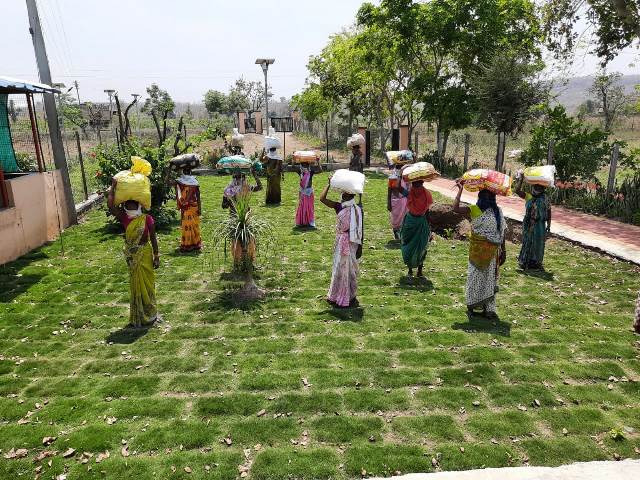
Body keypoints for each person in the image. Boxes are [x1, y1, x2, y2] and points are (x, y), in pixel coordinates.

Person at [107, 179, 160, 328]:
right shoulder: (125, 218)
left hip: (145, 254)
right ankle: (139, 313)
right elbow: (111, 206)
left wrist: (156, 256)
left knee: (148, 283)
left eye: (132, 203)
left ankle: (150, 312)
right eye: (127, 203)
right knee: (135, 284)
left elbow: (153, 238)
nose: (129, 205)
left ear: (138, 204)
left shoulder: (147, 219)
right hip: (132, 256)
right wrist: (113, 187)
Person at [453, 182, 506, 319]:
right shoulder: (496, 211)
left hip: (479, 252)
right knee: (488, 280)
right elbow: (502, 232)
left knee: (475, 278)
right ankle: (486, 309)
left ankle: (480, 307)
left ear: (479, 197)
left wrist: (460, 190)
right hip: (491, 252)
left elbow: (455, 208)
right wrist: (503, 250)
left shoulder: (476, 209)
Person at [320, 177, 363, 308]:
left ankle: (346, 295)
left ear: (349, 195)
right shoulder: (344, 206)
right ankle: (340, 294)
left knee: (346, 269)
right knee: (341, 268)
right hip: (346, 241)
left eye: (344, 193)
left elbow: (361, 227)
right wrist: (328, 184)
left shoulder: (354, 208)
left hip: (350, 242)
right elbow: (322, 199)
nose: (342, 194)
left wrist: (361, 246)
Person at [222, 168, 263, 269]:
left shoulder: (243, 187)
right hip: (236, 217)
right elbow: (223, 206)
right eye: (236, 177)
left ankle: (246, 260)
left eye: (240, 177)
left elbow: (260, 187)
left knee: (247, 238)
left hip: (243, 217)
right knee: (238, 239)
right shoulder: (230, 190)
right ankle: (239, 261)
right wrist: (228, 200)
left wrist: (255, 175)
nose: (238, 179)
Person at [515, 176, 551, 270]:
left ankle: (536, 262)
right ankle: (525, 261)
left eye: (540, 187)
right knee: (528, 241)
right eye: (536, 187)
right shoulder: (529, 196)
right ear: (533, 187)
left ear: (543, 188)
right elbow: (517, 191)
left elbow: (549, 211)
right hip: (529, 223)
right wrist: (521, 179)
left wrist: (549, 225)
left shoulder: (545, 198)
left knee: (538, 243)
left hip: (540, 224)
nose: (537, 189)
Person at [399, 179, 433, 277]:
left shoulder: (426, 194)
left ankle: (419, 270)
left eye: (418, 184)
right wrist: (398, 177)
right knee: (408, 244)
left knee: (421, 246)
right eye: (414, 184)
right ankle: (410, 269)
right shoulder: (411, 193)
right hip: (411, 222)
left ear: (422, 183)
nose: (416, 186)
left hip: (421, 222)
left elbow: (427, 211)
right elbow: (398, 188)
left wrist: (429, 226)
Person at [174, 166, 202, 252]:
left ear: (183, 172)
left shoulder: (180, 182)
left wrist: (169, 171)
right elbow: (198, 196)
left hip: (186, 207)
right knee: (193, 225)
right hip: (193, 206)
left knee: (187, 225)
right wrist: (200, 208)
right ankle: (195, 243)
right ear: (190, 172)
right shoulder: (194, 182)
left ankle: (188, 244)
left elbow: (169, 183)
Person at [295, 162, 321, 228]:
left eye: (306, 165)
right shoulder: (300, 172)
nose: (304, 166)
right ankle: (302, 221)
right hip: (302, 192)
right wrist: (293, 161)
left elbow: (320, 170)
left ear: (308, 165)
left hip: (309, 193)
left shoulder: (310, 173)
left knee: (309, 207)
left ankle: (309, 221)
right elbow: (292, 168)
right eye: (303, 165)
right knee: (302, 207)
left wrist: (318, 162)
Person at [388, 164, 409, 240]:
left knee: (404, 218)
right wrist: (389, 203)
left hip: (404, 200)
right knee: (396, 219)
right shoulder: (392, 177)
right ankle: (396, 233)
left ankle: (402, 234)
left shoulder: (406, 175)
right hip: (395, 201)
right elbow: (390, 189)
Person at [262, 133, 283, 205]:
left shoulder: (269, 157)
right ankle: (275, 200)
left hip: (273, 175)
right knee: (274, 187)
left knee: (272, 187)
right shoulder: (277, 157)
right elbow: (262, 160)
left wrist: (263, 151)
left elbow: (261, 160)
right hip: (275, 175)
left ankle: (273, 200)